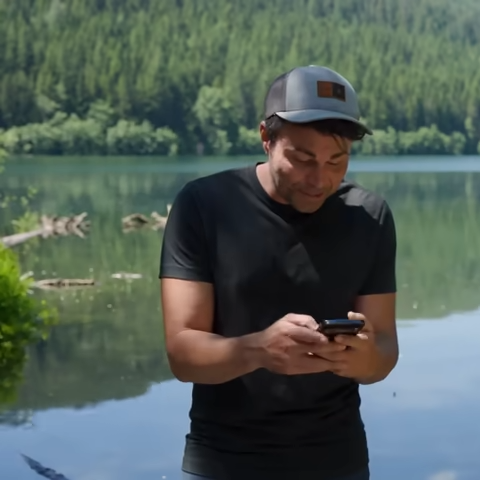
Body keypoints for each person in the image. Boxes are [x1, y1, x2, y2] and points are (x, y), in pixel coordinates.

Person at [159, 65, 398, 480]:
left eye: (337, 161)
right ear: (266, 138)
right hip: (222, 461)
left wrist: (363, 358)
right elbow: (182, 354)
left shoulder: (369, 215)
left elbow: (385, 351)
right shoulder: (204, 206)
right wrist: (259, 350)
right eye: (302, 159)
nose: (319, 179)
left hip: (337, 461)